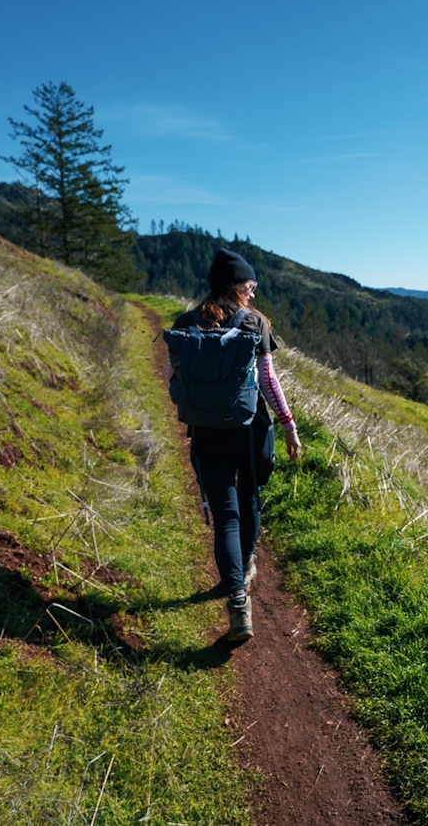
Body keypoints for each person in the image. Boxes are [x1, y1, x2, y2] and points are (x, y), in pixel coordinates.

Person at [170, 248, 302, 642]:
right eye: (251, 285)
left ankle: (238, 605)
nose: (254, 293)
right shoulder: (254, 322)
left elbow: (172, 381)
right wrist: (289, 425)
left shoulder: (185, 322)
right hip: (250, 430)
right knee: (250, 498)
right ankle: (245, 566)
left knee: (226, 515)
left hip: (208, 433)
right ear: (235, 285)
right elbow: (268, 381)